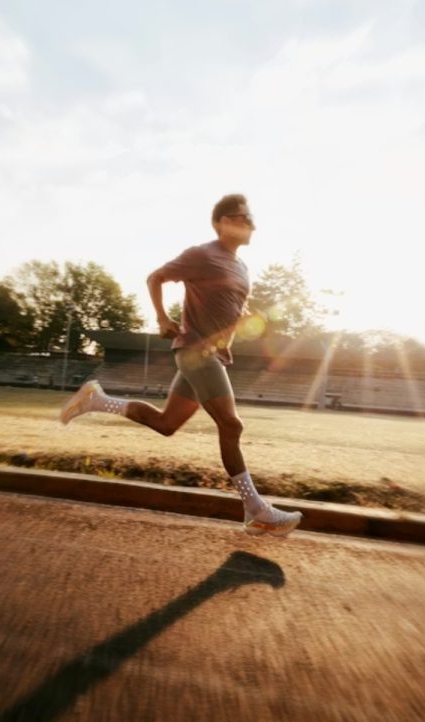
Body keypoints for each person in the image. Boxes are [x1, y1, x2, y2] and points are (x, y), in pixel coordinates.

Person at [59, 194, 303, 537]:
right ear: (220, 222)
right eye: (241, 217)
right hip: (195, 353)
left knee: (166, 423)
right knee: (231, 425)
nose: (250, 224)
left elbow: (225, 315)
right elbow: (154, 278)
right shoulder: (202, 255)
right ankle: (255, 509)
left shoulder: (241, 268)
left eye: (251, 219)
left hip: (214, 355)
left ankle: (96, 400)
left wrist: (245, 321)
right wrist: (162, 317)